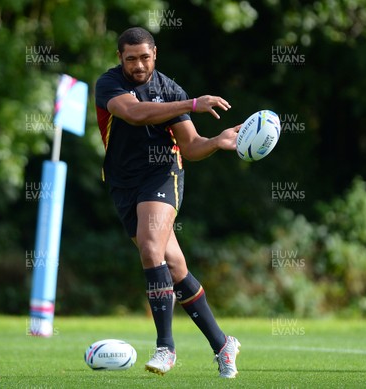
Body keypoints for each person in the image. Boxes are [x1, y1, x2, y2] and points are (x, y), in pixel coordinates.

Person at [95, 26, 241, 378]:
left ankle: (165, 348)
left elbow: (190, 147)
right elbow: (135, 113)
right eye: (131, 59)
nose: (139, 65)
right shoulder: (109, 84)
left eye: (145, 57)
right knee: (174, 267)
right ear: (120, 58)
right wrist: (193, 104)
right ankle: (223, 345)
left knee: (149, 249)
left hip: (162, 176)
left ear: (155, 53)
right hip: (122, 184)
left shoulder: (170, 90)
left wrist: (216, 141)